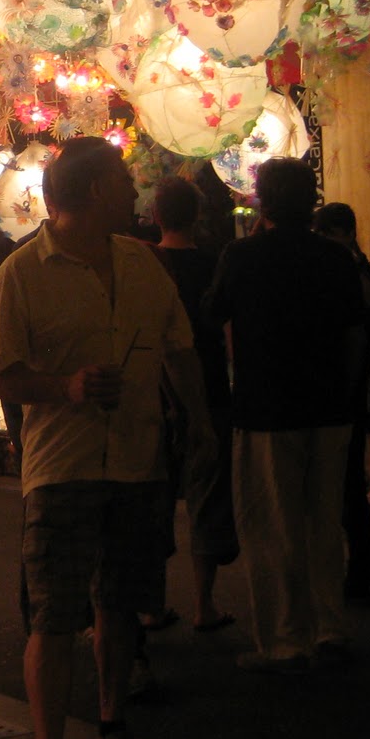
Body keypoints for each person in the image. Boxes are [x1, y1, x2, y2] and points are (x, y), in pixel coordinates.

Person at [0, 139, 211, 739]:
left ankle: (113, 726)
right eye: (123, 180)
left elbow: (179, 348)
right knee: (54, 614)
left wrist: (201, 425)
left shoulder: (143, 264)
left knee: (120, 603)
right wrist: (66, 387)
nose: (136, 190)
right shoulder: (21, 274)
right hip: (62, 467)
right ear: (94, 192)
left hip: (137, 459)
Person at [206, 159, 364, 676]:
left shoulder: (242, 256)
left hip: (267, 406)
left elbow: (211, 313)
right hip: (330, 405)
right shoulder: (336, 258)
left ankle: (284, 639)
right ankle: (330, 627)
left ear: (263, 201)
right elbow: (355, 332)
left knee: (274, 527)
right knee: (324, 521)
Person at [150, 176, 237, 633]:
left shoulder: (146, 264)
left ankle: (152, 603)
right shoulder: (213, 263)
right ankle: (205, 604)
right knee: (207, 496)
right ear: (197, 215)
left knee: (155, 498)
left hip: (156, 394)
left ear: (156, 215)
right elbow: (227, 330)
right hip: (209, 387)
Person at [312, 202, 370, 600]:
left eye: (327, 233)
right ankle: (363, 562)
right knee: (345, 479)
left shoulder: (352, 271)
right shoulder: (354, 268)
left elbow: (356, 333)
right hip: (351, 383)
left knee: (344, 479)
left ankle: (361, 562)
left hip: (348, 385)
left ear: (344, 232)